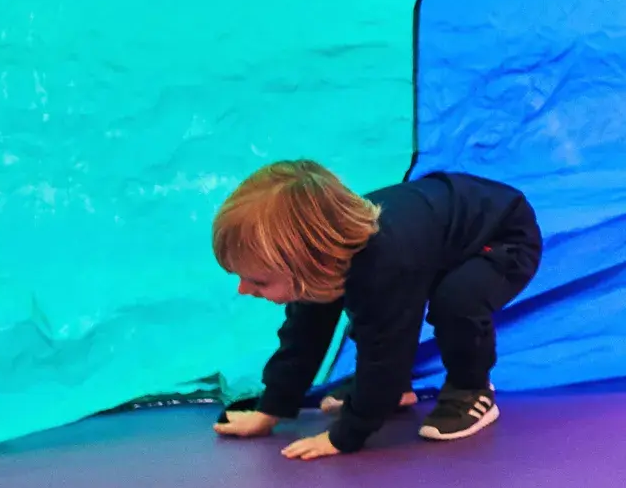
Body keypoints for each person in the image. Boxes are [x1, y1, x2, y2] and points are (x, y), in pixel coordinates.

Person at [210, 160, 540, 458]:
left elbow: (386, 349)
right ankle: (394, 391)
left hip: (503, 236)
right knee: (360, 311)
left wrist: (346, 435)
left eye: (258, 281)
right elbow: (304, 336)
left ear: (312, 265)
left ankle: (472, 389)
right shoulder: (326, 255)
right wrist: (271, 409)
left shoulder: (383, 265)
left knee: (455, 302)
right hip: (438, 232)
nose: (243, 289)